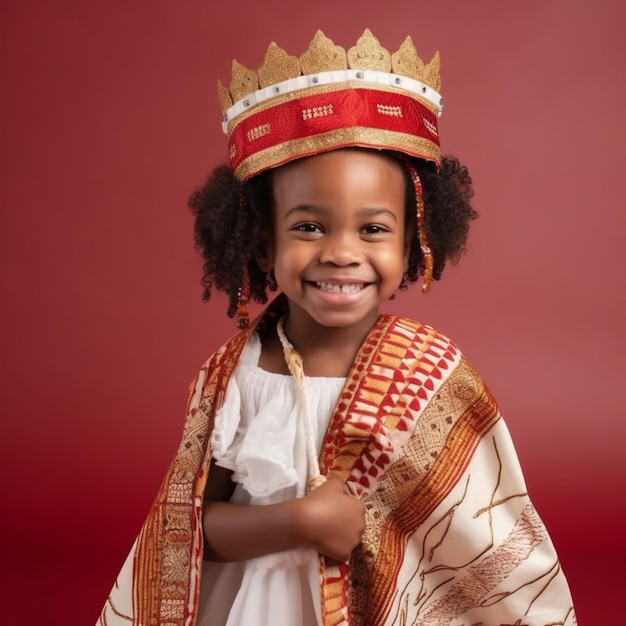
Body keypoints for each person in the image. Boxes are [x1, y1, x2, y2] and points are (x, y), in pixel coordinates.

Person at [98, 29, 576, 626]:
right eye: (309, 228)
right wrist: (296, 522)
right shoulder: (235, 377)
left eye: (372, 230)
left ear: (413, 245)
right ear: (263, 244)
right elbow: (189, 528)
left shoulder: (433, 376)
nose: (342, 253)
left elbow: (479, 539)